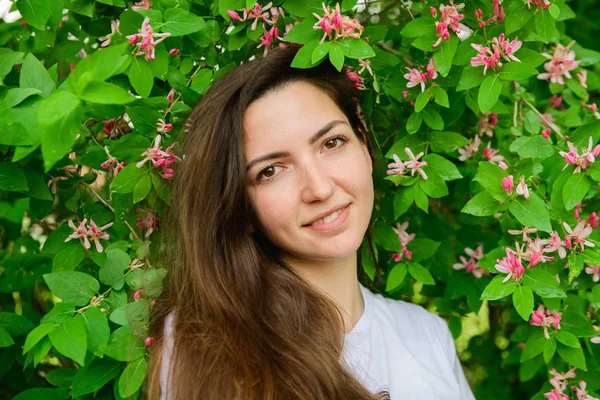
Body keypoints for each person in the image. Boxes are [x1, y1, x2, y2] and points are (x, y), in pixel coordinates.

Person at [146, 44, 476, 400]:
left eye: (332, 143)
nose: (319, 188)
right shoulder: (205, 346)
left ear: (364, 146)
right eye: (270, 171)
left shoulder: (426, 334)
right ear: (240, 208)